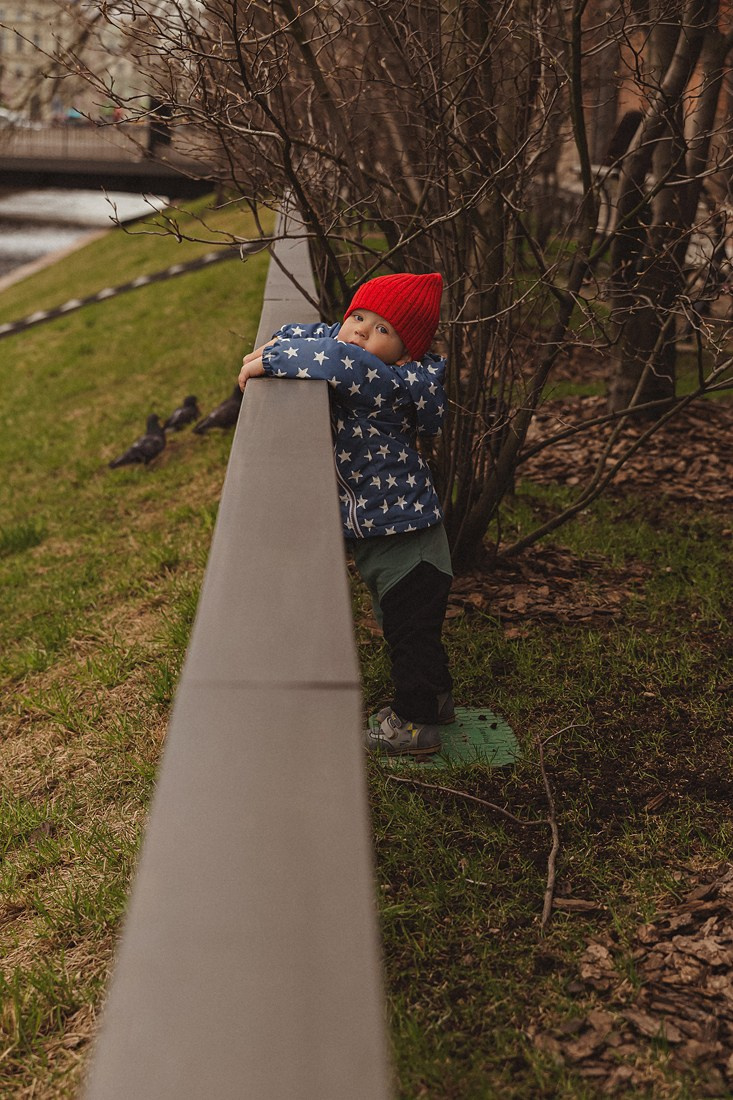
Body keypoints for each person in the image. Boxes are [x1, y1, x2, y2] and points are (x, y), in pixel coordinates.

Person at [238, 272, 454, 757]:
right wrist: (288, 337)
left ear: (406, 351)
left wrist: (268, 357)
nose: (359, 330)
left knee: (408, 636)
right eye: (357, 317)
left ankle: (416, 727)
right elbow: (326, 338)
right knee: (409, 627)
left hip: (409, 540)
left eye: (381, 329)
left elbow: (339, 358)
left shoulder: (391, 382)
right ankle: (437, 701)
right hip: (389, 533)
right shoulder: (368, 359)